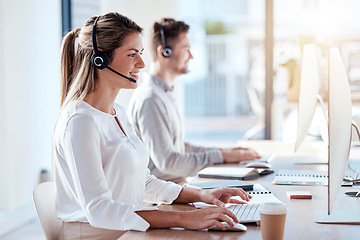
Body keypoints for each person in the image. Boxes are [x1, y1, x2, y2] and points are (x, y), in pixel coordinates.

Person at [53, 12, 252, 239]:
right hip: (100, 235)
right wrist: (184, 218)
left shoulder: (119, 112)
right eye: (131, 55)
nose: (141, 63)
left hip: (130, 230)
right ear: (100, 60)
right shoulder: (80, 122)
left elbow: (143, 180)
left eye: (140, 53)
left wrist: (202, 195)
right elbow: (99, 209)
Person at [128, 18, 261, 184]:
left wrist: (225, 152)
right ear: (165, 52)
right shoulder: (150, 99)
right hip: (164, 199)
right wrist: (222, 156)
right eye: (186, 49)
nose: (191, 56)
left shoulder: (163, 93)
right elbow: (168, 162)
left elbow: (180, 147)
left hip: (177, 189)